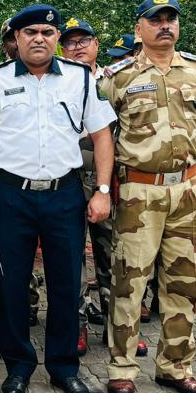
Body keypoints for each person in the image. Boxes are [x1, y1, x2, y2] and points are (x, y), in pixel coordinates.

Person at [0, 4, 116, 393]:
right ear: (16, 38)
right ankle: (19, 366)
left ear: (54, 39)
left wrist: (102, 190)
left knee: (66, 283)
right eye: (29, 32)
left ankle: (64, 368)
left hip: (64, 194)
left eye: (47, 33)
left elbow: (101, 135)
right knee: (13, 284)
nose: (38, 39)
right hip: (13, 195)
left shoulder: (80, 78)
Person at [99, 0, 196, 393]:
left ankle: (176, 366)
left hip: (187, 189)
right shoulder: (118, 77)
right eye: (155, 19)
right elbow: (99, 136)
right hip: (139, 191)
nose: (165, 25)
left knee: (183, 283)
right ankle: (122, 367)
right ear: (139, 28)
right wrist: (104, 187)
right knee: (130, 281)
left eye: (171, 19)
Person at [61, 18, 114, 355]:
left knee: (113, 255)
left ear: (96, 44)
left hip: (107, 180)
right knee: (72, 258)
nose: (78, 47)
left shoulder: (115, 81)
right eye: (71, 43)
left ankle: (116, 326)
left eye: (84, 41)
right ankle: (77, 325)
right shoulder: (59, 81)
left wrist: (110, 185)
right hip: (70, 180)